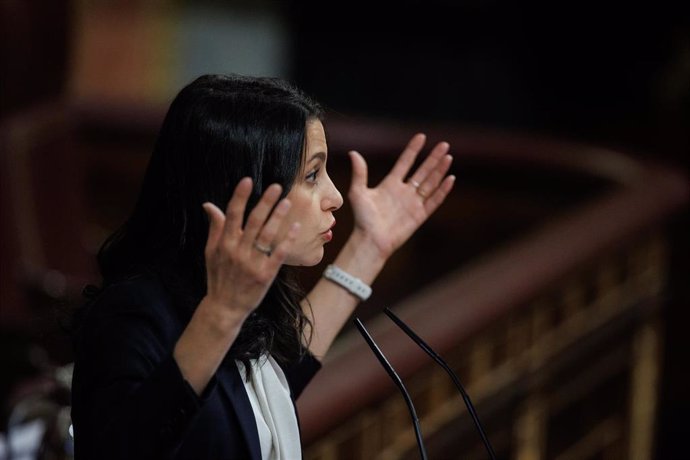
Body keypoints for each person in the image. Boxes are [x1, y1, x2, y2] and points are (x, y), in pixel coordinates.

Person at [70, 73, 454, 460]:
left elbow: (270, 380)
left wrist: (369, 248)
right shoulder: (131, 314)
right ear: (245, 189)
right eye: (311, 175)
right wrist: (222, 314)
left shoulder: (225, 306)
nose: (335, 197)